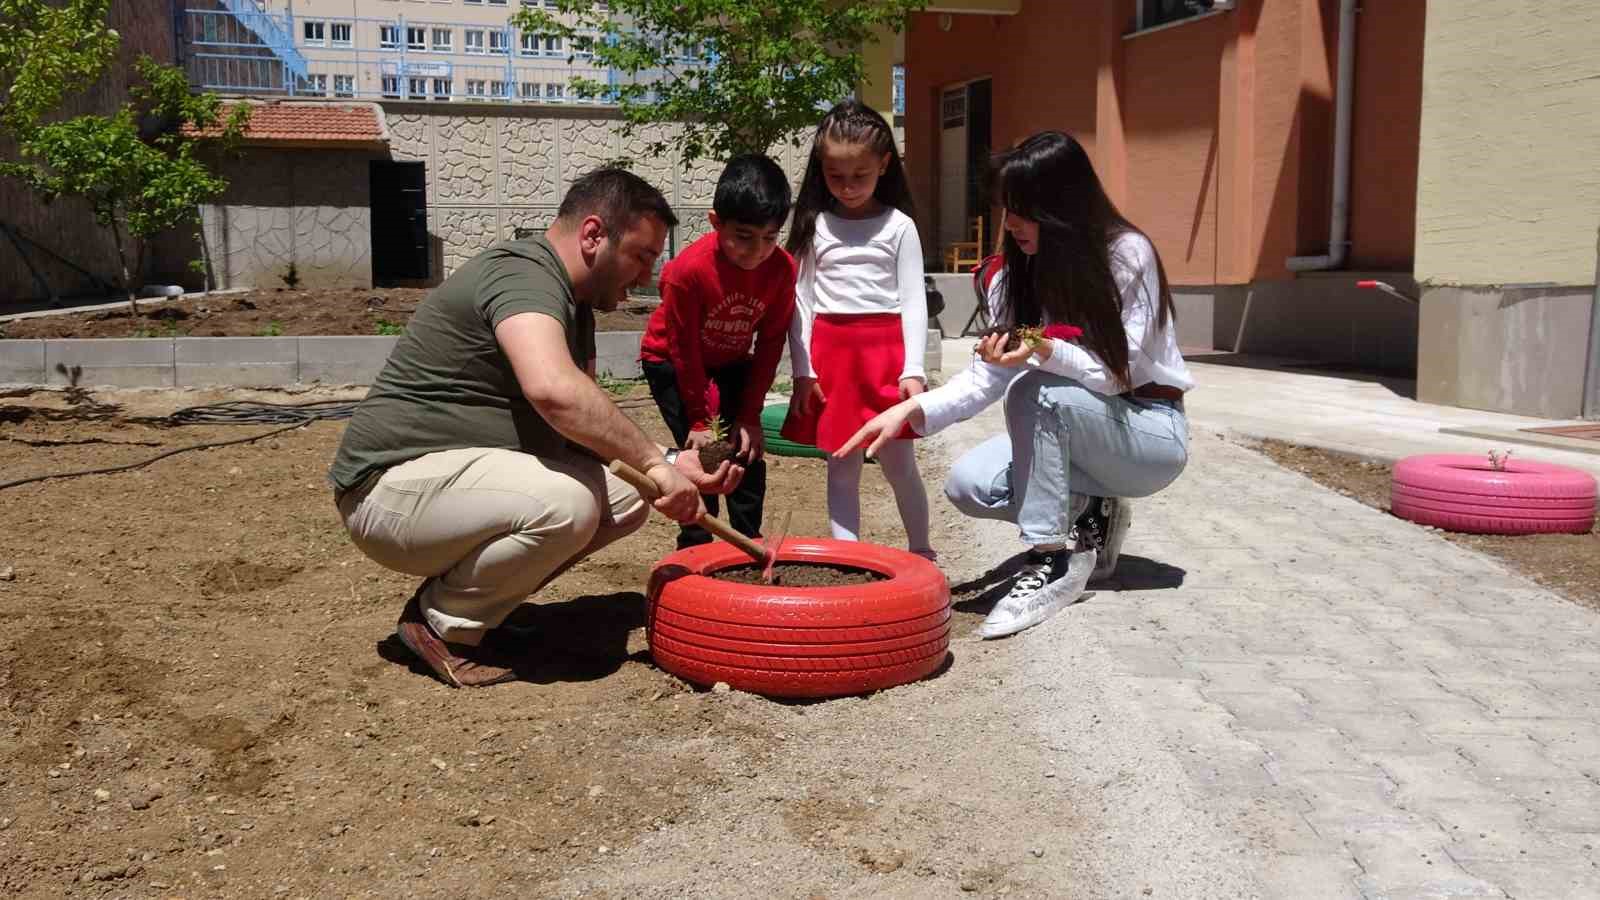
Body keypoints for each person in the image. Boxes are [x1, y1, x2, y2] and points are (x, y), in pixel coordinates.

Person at [329, 168, 744, 688]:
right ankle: (439, 622)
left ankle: (480, 609)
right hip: (384, 492)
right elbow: (555, 391)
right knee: (567, 502)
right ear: (593, 235)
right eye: (641, 256)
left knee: (628, 494)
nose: (645, 277)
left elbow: (579, 427)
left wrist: (666, 463)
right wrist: (656, 466)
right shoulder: (523, 273)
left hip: (443, 486)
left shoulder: (575, 305)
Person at [839, 131, 1193, 639]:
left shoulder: (1126, 255)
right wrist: (908, 413)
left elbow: (1122, 376)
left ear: (1062, 207)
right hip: (1082, 427)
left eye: (1024, 211)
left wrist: (1045, 352)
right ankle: (1095, 511)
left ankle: (1050, 561)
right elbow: (985, 378)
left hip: (1149, 434)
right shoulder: (1016, 276)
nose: (1012, 224)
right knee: (969, 485)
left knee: (1034, 391)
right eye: (1008, 208)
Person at [781, 99, 935, 559]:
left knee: (899, 463)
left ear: (884, 166)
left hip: (885, 359)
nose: (847, 187)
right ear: (820, 169)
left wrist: (914, 368)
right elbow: (801, 301)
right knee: (840, 462)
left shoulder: (900, 226)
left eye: (859, 175)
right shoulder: (815, 225)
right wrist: (802, 370)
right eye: (835, 175)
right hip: (832, 360)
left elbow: (913, 300)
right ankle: (846, 557)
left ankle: (922, 551)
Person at [639, 153, 796, 549]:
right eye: (743, 236)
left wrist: (750, 414)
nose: (756, 251)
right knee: (704, 454)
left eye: (770, 238)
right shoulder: (686, 272)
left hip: (730, 361)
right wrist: (697, 420)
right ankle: (696, 543)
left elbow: (770, 343)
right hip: (672, 363)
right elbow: (684, 348)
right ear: (715, 222)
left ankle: (746, 543)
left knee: (745, 451)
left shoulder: (782, 269)